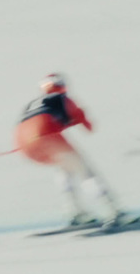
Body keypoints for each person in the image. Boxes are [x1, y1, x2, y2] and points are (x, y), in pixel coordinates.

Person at [14, 72, 124, 225]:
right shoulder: (61, 99)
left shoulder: (32, 104)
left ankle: (75, 212)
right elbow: (88, 127)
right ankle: (114, 212)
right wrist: (78, 117)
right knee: (85, 172)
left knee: (65, 168)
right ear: (62, 86)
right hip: (48, 138)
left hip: (24, 143)